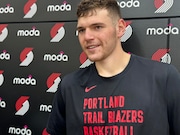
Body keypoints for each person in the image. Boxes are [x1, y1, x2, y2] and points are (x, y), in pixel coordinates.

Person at [46, 0, 180, 134]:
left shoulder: (163, 77)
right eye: (81, 30)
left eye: (97, 27)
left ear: (120, 28)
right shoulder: (68, 86)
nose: (87, 36)